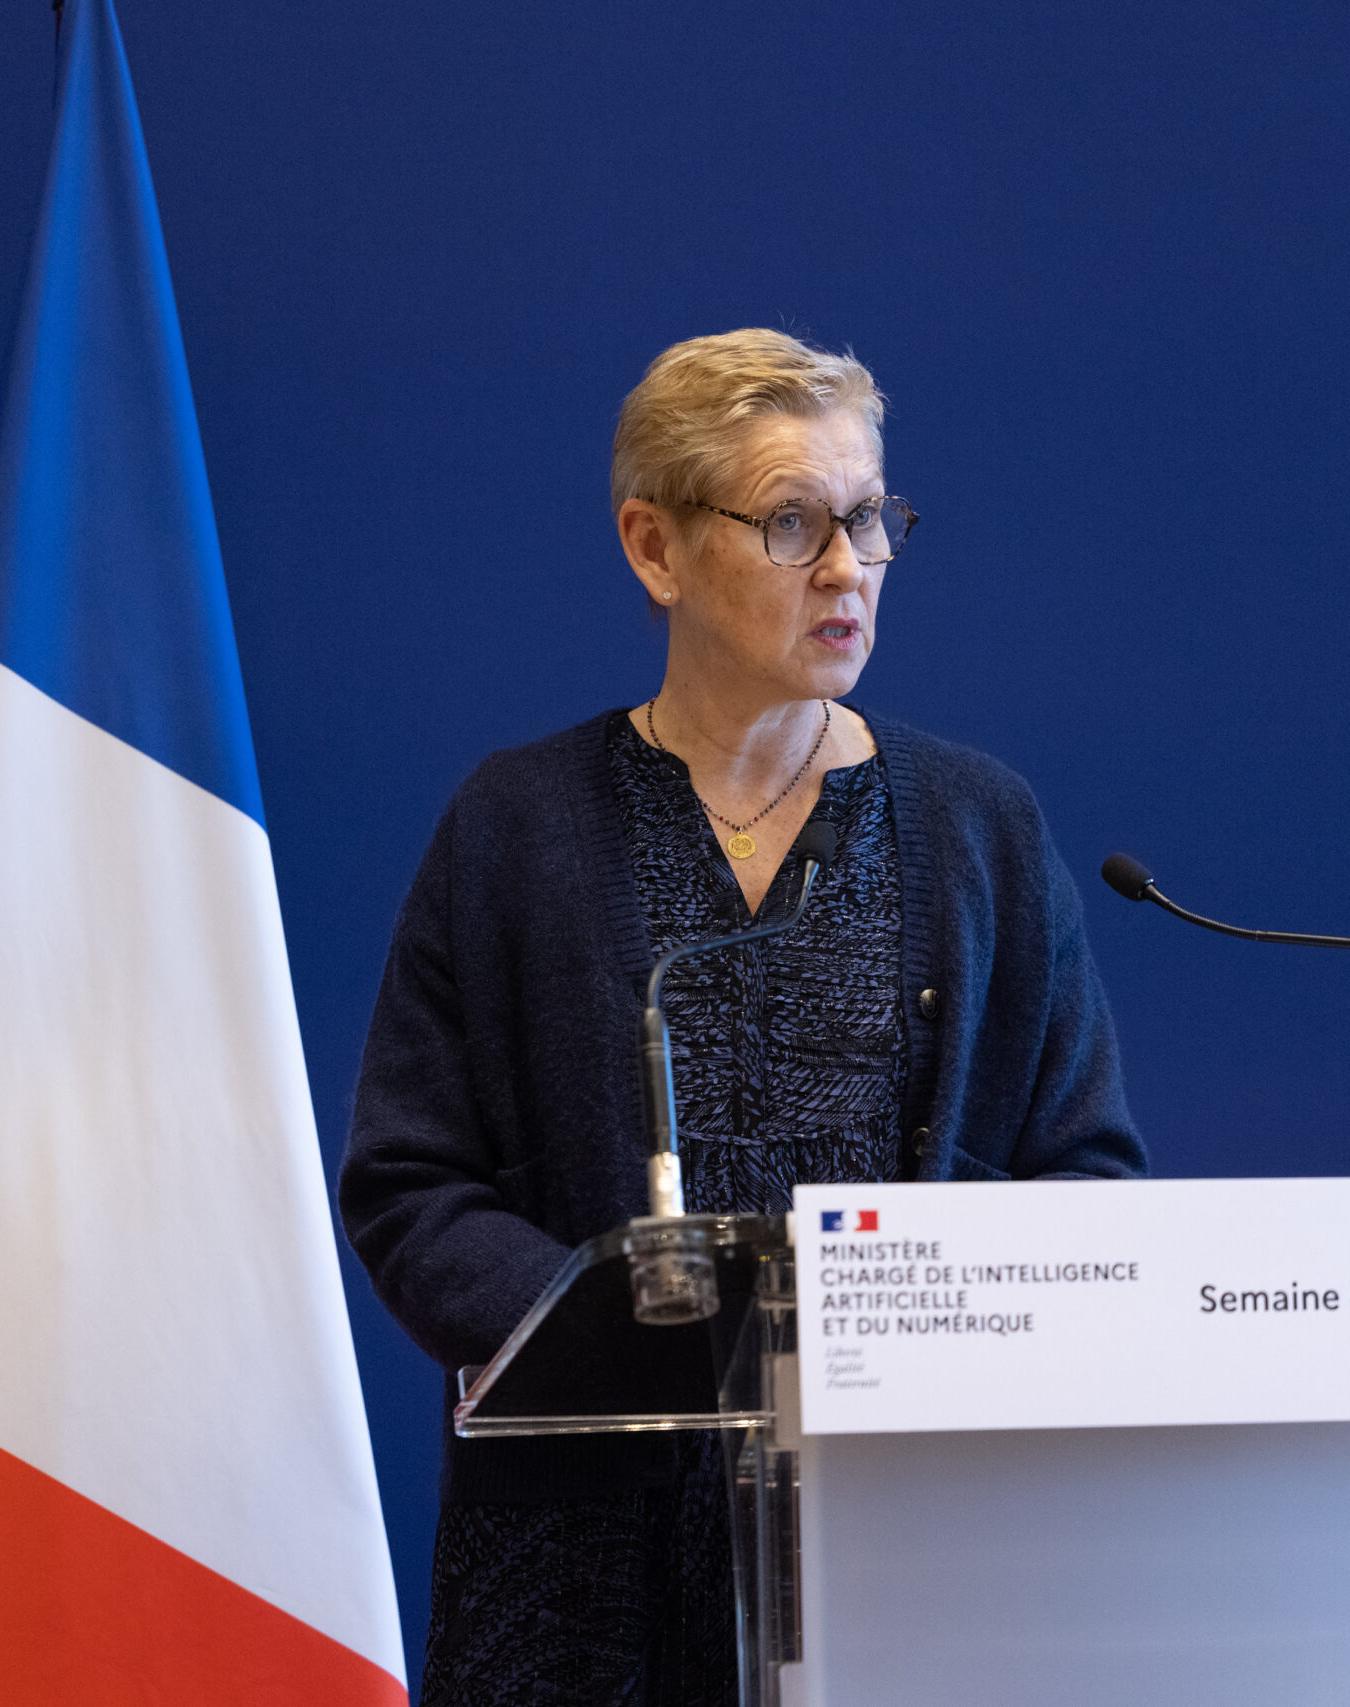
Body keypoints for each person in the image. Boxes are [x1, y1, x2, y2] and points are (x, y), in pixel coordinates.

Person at [339, 329, 1146, 1705]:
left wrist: (948, 1333)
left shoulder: (977, 829)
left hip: (910, 1555)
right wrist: (610, 1334)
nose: (848, 568)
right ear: (655, 548)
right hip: (579, 1573)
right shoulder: (517, 826)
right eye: (791, 524)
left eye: (871, 518)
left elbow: (1085, 1175)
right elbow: (413, 1182)